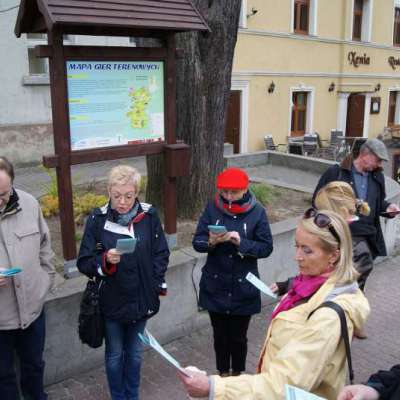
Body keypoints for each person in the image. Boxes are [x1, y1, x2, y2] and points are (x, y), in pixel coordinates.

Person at [180, 210, 370, 399]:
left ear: (334, 256)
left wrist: (213, 388)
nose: (297, 256)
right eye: (297, 246)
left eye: (307, 250)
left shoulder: (326, 316)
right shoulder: (307, 288)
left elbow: (283, 385)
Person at [77, 165, 169, 400]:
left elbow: (161, 253)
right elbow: (84, 262)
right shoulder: (97, 219)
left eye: (129, 196)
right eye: (117, 195)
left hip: (140, 298)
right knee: (115, 355)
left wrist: (154, 282)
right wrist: (105, 260)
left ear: (137, 192)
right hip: (111, 300)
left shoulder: (149, 216)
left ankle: (132, 395)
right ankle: (118, 397)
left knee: (135, 354)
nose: (123, 202)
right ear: (109, 190)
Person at [192, 167, 273, 377]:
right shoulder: (212, 208)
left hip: (243, 287)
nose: (228, 197)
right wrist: (210, 241)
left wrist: (242, 243)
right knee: (219, 336)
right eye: (224, 192)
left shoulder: (257, 211)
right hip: (215, 285)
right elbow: (197, 241)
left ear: (245, 189)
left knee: (238, 337)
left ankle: (237, 375)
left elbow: (266, 247)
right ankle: (222, 374)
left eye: (234, 192)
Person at [0, 156, 55, 400]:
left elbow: (45, 246)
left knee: (34, 366)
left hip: (33, 308)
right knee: (3, 376)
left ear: (12, 183)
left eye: (3, 193)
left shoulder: (30, 203)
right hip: (1, 319)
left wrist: (45, 280)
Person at [313, 138, 400, 260]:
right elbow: (317, 202)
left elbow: (378, 203)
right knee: (339, 277)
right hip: (340, 238)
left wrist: (388, 207)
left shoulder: (377, 176)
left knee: (359, 277)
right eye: (378, 160)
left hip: (367, 239)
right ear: (365, 154)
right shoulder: (336, 173)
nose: (380, 164)